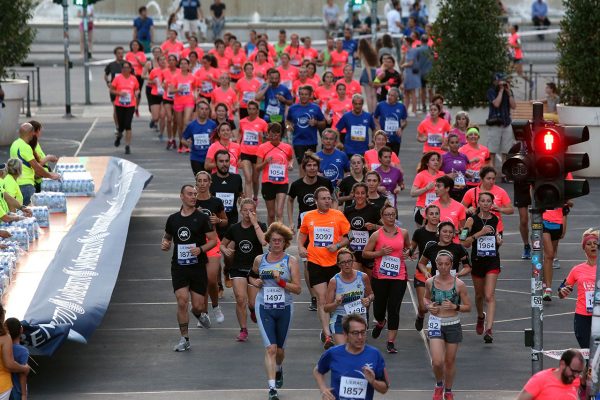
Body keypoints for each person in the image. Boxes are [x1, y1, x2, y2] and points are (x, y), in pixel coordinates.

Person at [248, 223, 301, 400]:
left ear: (285, 243)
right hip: (264, 307)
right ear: (268, 241)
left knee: (280, 350)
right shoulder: (259, 259)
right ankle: (272, 388)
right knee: (271, 348)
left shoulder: (290, 261)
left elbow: (298, 289)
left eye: (279, 241)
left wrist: (282, 283)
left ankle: (278, 369)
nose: (276, 243)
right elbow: (252, 275)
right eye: (273, 240)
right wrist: (255, 283)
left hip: (284, 307)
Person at [161, 184, 217, 351]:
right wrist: (165, 243)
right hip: (179, 266)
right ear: (182, 196)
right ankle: (184, 338)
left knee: (198, 306)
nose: (193, 196)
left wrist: (200, 249)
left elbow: (213, 240)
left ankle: (201, 314)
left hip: (197, 266)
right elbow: (167, 237)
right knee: (182, 301)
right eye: (190, 194)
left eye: (195, 194)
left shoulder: (201, 218)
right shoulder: (173, 219)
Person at [298, 187, 350, 349]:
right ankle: (328, 334)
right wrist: (300, 247)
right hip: (315, 262)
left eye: (329, 198)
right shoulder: (309, 217)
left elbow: (348, 237)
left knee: (334, 300)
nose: (327, 201)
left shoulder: (338, 215)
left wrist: (337, 245)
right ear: (316, 201)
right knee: (321, 298)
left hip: (335, 263)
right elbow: (302, 235)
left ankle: (336, 327)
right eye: (323, 198)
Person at [287, 153, 334, 311]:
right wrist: (292, 221)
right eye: (309, 166)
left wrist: (333, 217)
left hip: (324, 228)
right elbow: (290, 199)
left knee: (327, 259)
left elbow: (332, 199)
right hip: (306, 229)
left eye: (315, 166)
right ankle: (314, 296)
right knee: (308, 264)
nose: (312, 168)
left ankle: (326, 292)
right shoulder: (297, 185)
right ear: (304, 167)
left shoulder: (325, 182)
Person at [423, 250, 472, 400]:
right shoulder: (430, 282)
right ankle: (439, 385)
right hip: (436, 322)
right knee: (437, 361)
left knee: (449, 361)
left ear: (452, 265)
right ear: (435, 265)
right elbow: (425, 299)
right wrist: (428, 306)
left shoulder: (459, 284)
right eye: (440, 264)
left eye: (446, 264)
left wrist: (455, 307)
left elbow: (468, 307)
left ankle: (448, 390)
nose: (443, 267)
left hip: (452, 323)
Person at [362, 204, 409, 354]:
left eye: (393, 214)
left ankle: (390, 341)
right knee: (379, 308)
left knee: (394, 308)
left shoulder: (404, 232)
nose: (390, 217)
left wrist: (408, 253)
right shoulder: (376, 235)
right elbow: (365, 253)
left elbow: (408, 248)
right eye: (387, 215)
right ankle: (381, 322)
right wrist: (380, 253)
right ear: (382, 218)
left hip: (399, 275)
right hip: (380, 276)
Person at [221, 199, 267, 341]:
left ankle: (253, 310)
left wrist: (254, 224)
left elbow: (264, 242)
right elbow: (222, 244)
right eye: (245, 210)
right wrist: (225, 250)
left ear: (255, 212)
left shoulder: (260, 226)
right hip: (237, 268)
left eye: (251, 210)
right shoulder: (234, 228)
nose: (248, 213)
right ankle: (243, 329)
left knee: (252, 303)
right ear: (240, 212)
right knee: (241, 299)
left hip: (254, 269)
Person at [314, 314, 389, 400]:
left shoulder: (374, 354)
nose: (360, 337)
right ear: (345, 334)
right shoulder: (333, 353)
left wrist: (373, 381)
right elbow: (318, 371)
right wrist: (323, 389)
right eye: (355, 333)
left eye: (363, 332)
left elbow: (384, 389)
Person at [460, 192, 502, 343]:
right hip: (478, 260)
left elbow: (498, 236)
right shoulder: (471, 220)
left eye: (488, 201)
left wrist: (499, 240)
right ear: (478, 203)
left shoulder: (496, 219)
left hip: (492, 260)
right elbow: (463, 241)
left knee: (489, 296)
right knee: (479, 295)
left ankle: (489, 329)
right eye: (483, 201)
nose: (485, 203)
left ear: (492, 204)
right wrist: (480, 233)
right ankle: (480, 316)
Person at [194, 171, 228, 321]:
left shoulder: (216, 201)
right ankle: (204, 313)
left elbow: (226, 220)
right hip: (197, 245)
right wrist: (196, 215)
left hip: (213, 243)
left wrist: (218, 221)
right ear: (196, 183)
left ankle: (215, 306)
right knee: (202, 280)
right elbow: (185, 221)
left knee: (211, 279)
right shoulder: (192, 201)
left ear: (210, 183)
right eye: (199, 181)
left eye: (204, 181)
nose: (202, 184)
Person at [558, 228, 598, 348]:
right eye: (589, 244)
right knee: (587, 351)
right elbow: (562, 290)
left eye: (595, 243)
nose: (593, 246)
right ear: (584, 248)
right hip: (583, 316)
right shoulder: (577, 269)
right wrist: (562, 292)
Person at [324, 249, 373, 345]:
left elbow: (371, 294)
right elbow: (326, 308)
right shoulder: (334, 281)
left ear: (353, 262)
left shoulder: (363, 277)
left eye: (349, 261)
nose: (347, 264)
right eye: (343, 262)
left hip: (359, 319)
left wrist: (368, 299)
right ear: (338, 265)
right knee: (343, 351)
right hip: (340, 319)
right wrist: (336, 303)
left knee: (356, 349)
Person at [9, 123, 60, 205]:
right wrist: (50, 175)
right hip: (26, 185)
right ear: (30, 133)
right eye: (33, 132)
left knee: (23, 213)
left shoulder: (14, 144)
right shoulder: (25, 147)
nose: (34, 134)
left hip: (16, 183)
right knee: (31, 212)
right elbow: (36, 166)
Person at [409, 204, 441, 331]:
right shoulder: (419, 232)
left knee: (436, 305)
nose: (434, 216)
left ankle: (434, 330)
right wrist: (409, 251)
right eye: (431, 213)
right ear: (426, 215)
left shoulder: (443, 232)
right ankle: (420, 315)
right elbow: (413, 247)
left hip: (439, 273)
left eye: (436, 213)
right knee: (423, 307)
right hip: (422, 271)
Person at [256, 123, 294, 225]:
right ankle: (271, 236)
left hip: (282, 183)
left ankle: (280, 236)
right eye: (271, 135)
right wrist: (265, 162)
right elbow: (257, 168)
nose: (273, 137)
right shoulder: (262, 147)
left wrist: (290, 165)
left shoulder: (287, 147)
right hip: (268, 183)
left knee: (279, 212)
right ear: (267, 134)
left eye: (276, 135)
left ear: (280, 134)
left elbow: (290, 159)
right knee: (271, 214)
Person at [461, 166, 513, 235]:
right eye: (488, 179)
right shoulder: (472, 192)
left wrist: (499, 209)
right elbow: (461, 207)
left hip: (496, 228)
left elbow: (511, 210)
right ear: (482, 179)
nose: (491, 181)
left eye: (493, 179)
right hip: (477, 227)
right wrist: (468, 210)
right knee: (473, 244)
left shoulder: (501, 191)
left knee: (496, 245)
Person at [343, 183, 381, 276]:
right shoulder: (348, 210)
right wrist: (351, 238)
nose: (360, 196)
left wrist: (374, 226)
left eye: (363, 193)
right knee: (358, 281)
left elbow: (386, 228)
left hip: (370, 251)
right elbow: (345, 230)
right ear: (353, 194)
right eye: (357, 193)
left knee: (370, 284)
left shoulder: (374, 209)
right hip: (354, 251)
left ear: (366, 194)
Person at [516, 349, 584, 400]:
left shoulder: (575, 380)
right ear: (562, 364)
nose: (576, 375)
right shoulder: (540, 379)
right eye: (574, 371)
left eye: (579, 372)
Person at [287, 86, 326, 168]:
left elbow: (323, 123)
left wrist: (316, 123)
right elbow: (288, 121)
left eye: (306, 94)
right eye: (301, 94)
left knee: (311, 165)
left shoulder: (315, 108)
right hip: (298, 141)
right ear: (299, 95)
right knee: (302, 165)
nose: (303, 96)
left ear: (310, 95)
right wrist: (288, 127)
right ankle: (302, 180)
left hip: (311, 141)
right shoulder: (293, 108)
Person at [238, 100, 268, 201]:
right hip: (245, 152)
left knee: (255, 179)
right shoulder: (242, 122)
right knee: (248, 178)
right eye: (249, 109)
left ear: (257, 110)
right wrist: (237, 150)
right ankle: (248, 200)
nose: (251, 111)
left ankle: (255, 197)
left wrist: (262, 137)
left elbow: (267, 139)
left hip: (257, 154)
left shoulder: (263, 123)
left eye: (253, 109)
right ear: (247, 109)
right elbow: (239, 136)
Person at [486, 73, 516, 172]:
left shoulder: (508, 91)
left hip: (506, 123)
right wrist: (501, 91)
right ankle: (492, 171)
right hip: (495, 123)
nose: (502, 84)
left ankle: (504, 172)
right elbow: (496, 104)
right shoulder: (491, 91)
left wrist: (509, 93)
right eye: (500, 81)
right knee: (492, 150)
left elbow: (513, 106)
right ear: (495, 81)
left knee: (506, 150)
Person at [210, 149, 243, 236]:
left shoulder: (237, 178)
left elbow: (241, 196)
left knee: (230, 248)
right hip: (214, 223)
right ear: (216, 163)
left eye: (227, 161)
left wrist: (245, 208)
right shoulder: (210, 179)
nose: (224, 164)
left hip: (232, 221)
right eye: (221, 161)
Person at [110, 61, 140, 155]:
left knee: (128, 125)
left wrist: (137, 93)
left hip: (130, 105)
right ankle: (119, 137)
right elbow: (111, 90)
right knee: (121, 126)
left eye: (128, 68)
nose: (126, 69)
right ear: (122, 69)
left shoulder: (133, 79)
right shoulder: (117, 78)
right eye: (124, 68)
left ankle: (127, 146)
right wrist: (119, 93)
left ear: (130, 69)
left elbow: (137, 89)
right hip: (119, 105)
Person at [0, 305, 30, 399]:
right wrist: (24, 394)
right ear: (21, 330)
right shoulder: (5, 339)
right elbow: (10, 365)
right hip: (7, 388)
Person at [541, 203, 569, 301]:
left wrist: (564, 228)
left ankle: (544, 283)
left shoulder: (561, 188)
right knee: (550, 254)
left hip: (557, 223)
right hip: (543, 221)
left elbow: (567, 206)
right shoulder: (540, 188)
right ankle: (548, 289)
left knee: (549, 257)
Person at [169, 58, 197, 153]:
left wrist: (196, 95)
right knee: (180, 125)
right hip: (178, 102)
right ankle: (181, 143)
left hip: (189, 101)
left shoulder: (192, 77)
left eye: (185, 64)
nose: (183, 65)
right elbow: (170, 91)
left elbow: (196, 88)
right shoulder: (175, 77)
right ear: (179, 65)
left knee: (186, 122)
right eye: (182, 64)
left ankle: (186, 143)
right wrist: (178, 90)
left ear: (188, 66)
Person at [182, 100, 216, 176]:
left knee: (209, 180)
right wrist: (189, 145)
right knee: (200, 180)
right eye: (202, 109)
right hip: (195, 158)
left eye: (206, 109)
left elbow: (216, 139)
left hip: (209, 158)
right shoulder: (191, 125)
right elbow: (183, 139)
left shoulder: (212, 124)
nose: (204, 111)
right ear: (197, 110)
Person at [336, 94, 376, 159]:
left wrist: (373, 142)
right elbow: (337, 129)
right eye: (355, 104)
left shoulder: (368, 116)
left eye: (359, 104)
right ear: (352, 104)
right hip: (349, 150)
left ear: (362, 104)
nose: (357, 106)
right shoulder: (346, 116)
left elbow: (374, 129)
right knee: (349, 169)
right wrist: (338, 142)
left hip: (364, 150)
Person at [410, 151, 444, 226]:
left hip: (438, 210)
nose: (436, 162)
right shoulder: (421, 175)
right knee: (422, 235)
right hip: (422, 209)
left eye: (437, 160)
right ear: (427, 163)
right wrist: (426, 188)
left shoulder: (442, 175)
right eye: (433, 160)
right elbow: (412, 193)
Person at [28, 120, 59, 193]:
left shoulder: (36, 143)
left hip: (43, 179)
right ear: (36, 131)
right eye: (40, 130)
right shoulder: (30, 146)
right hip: (38, 182)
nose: (41, 133)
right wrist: (48, 158)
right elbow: (35, 164)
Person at [373, 87, 407, 155]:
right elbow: (375, 118)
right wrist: (378, 127)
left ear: (397, 97)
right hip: (383, 139)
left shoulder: (401, 106)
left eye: (392, 95)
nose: (389, 97)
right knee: (383, 159)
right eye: (389, 95)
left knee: (394, 160)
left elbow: (405, 121)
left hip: (395, 138)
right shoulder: (381, 105)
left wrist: (401, 127)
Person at [441, 135, 470, 202]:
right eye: (452, 142)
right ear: (448, 144)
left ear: (459, 144)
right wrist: (447, 175)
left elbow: (464, 170)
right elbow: (437, 173)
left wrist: (467, 174)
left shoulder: (464, 157)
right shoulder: (443, 157)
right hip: (449, 190)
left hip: (462, 189)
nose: (455, 145)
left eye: (456, 142)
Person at [104, 47, 126, 135]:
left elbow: (133, 76)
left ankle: (124, 124)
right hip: (114, 89)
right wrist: (108, 82)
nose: (121, 55)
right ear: (115, 54)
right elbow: (105, 75)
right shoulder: (111, 65)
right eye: (119, 53)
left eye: (122, 53)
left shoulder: (126, 64)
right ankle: (117, 127)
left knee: (124, 109)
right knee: (116, 109)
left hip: (125, 89)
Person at [6, 318, 28, 400]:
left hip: (5, 388)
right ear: (21, 330)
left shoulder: (3, 347)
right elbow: (22, 374)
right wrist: (24, 395)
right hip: (17, 390)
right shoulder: (23, 351)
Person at [400, 36, 422, 117]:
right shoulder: (408, 51)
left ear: (408, 42)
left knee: (412, 92)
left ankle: (414, 110)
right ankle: (406, 110)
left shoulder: (412, 51)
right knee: (407, 92)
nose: (403, 43)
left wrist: (403, 65)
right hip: (408, 74)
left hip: (411, 74)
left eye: (404, 42)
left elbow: (411, 63)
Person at [357, 39, 380, 113]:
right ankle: (375, 112)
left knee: (368, 96)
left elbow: (367, 67)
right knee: (374, 95)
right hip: (375, 73)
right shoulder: (373, 53)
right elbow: (377, 65)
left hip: (367, 74)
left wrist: (370, 79)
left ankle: (371, 113)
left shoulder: (363, 54)